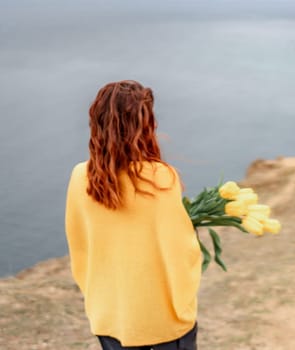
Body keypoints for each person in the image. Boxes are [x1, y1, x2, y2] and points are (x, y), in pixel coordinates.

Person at [64, 80, 201, 350]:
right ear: (144, 124)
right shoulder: (161, 177)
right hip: (162, 321)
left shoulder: (80, 177)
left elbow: (79, 246)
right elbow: (180, 251)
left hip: (110, 314)